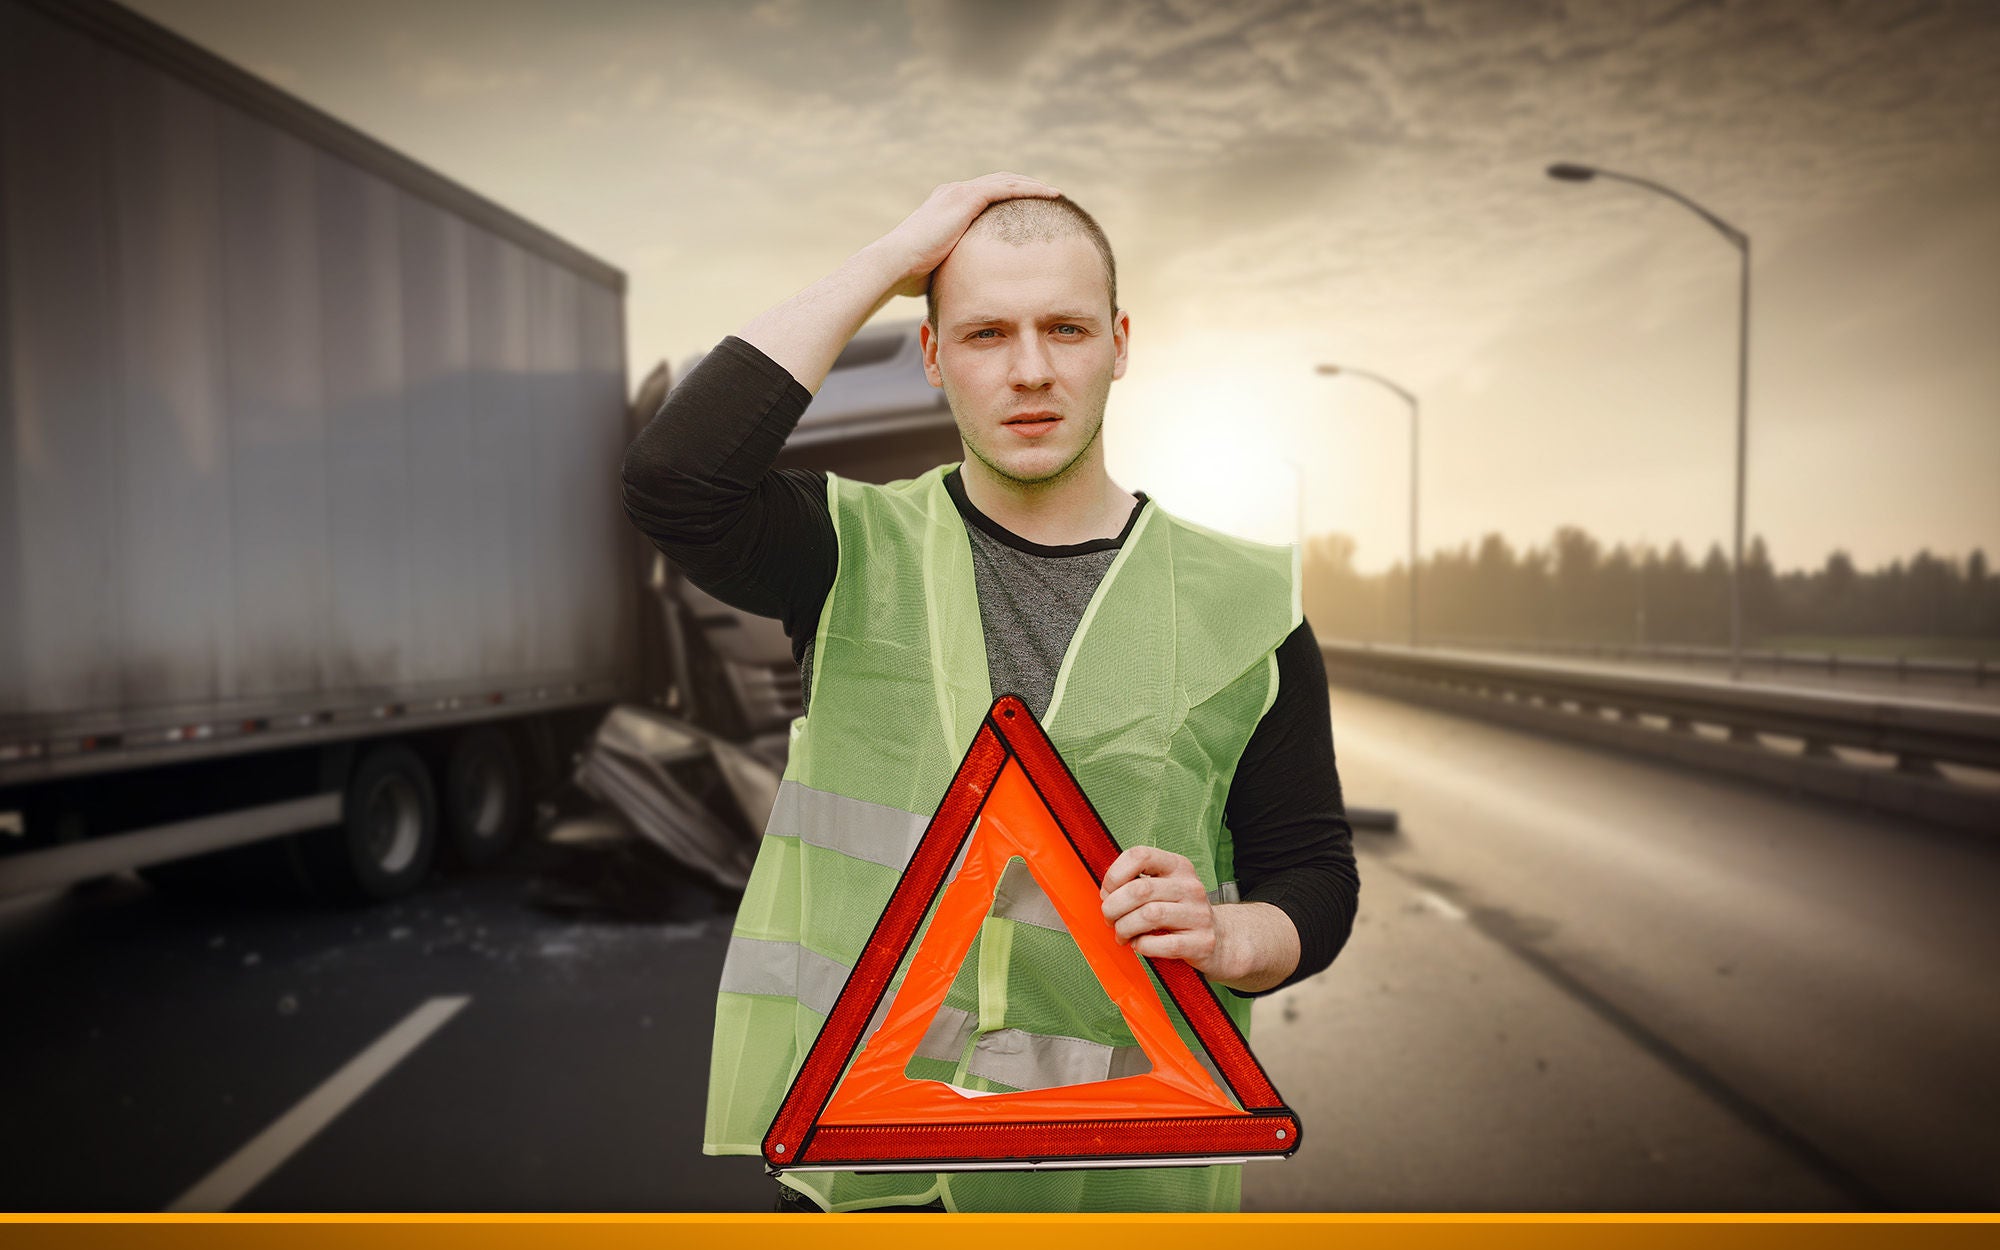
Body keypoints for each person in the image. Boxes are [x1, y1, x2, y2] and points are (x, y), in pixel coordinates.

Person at [621, 173, 1359, 1213]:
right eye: (982, 334)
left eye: (1064, 328)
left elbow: (1312, 876)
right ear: (930, 355)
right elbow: (673, 475)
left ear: (1119, 342)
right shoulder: (847, 551)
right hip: (875, 1174)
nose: (1029, 371)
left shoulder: (1245, 607)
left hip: (1119, 1182)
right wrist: (891, 257)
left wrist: (1233, 936)